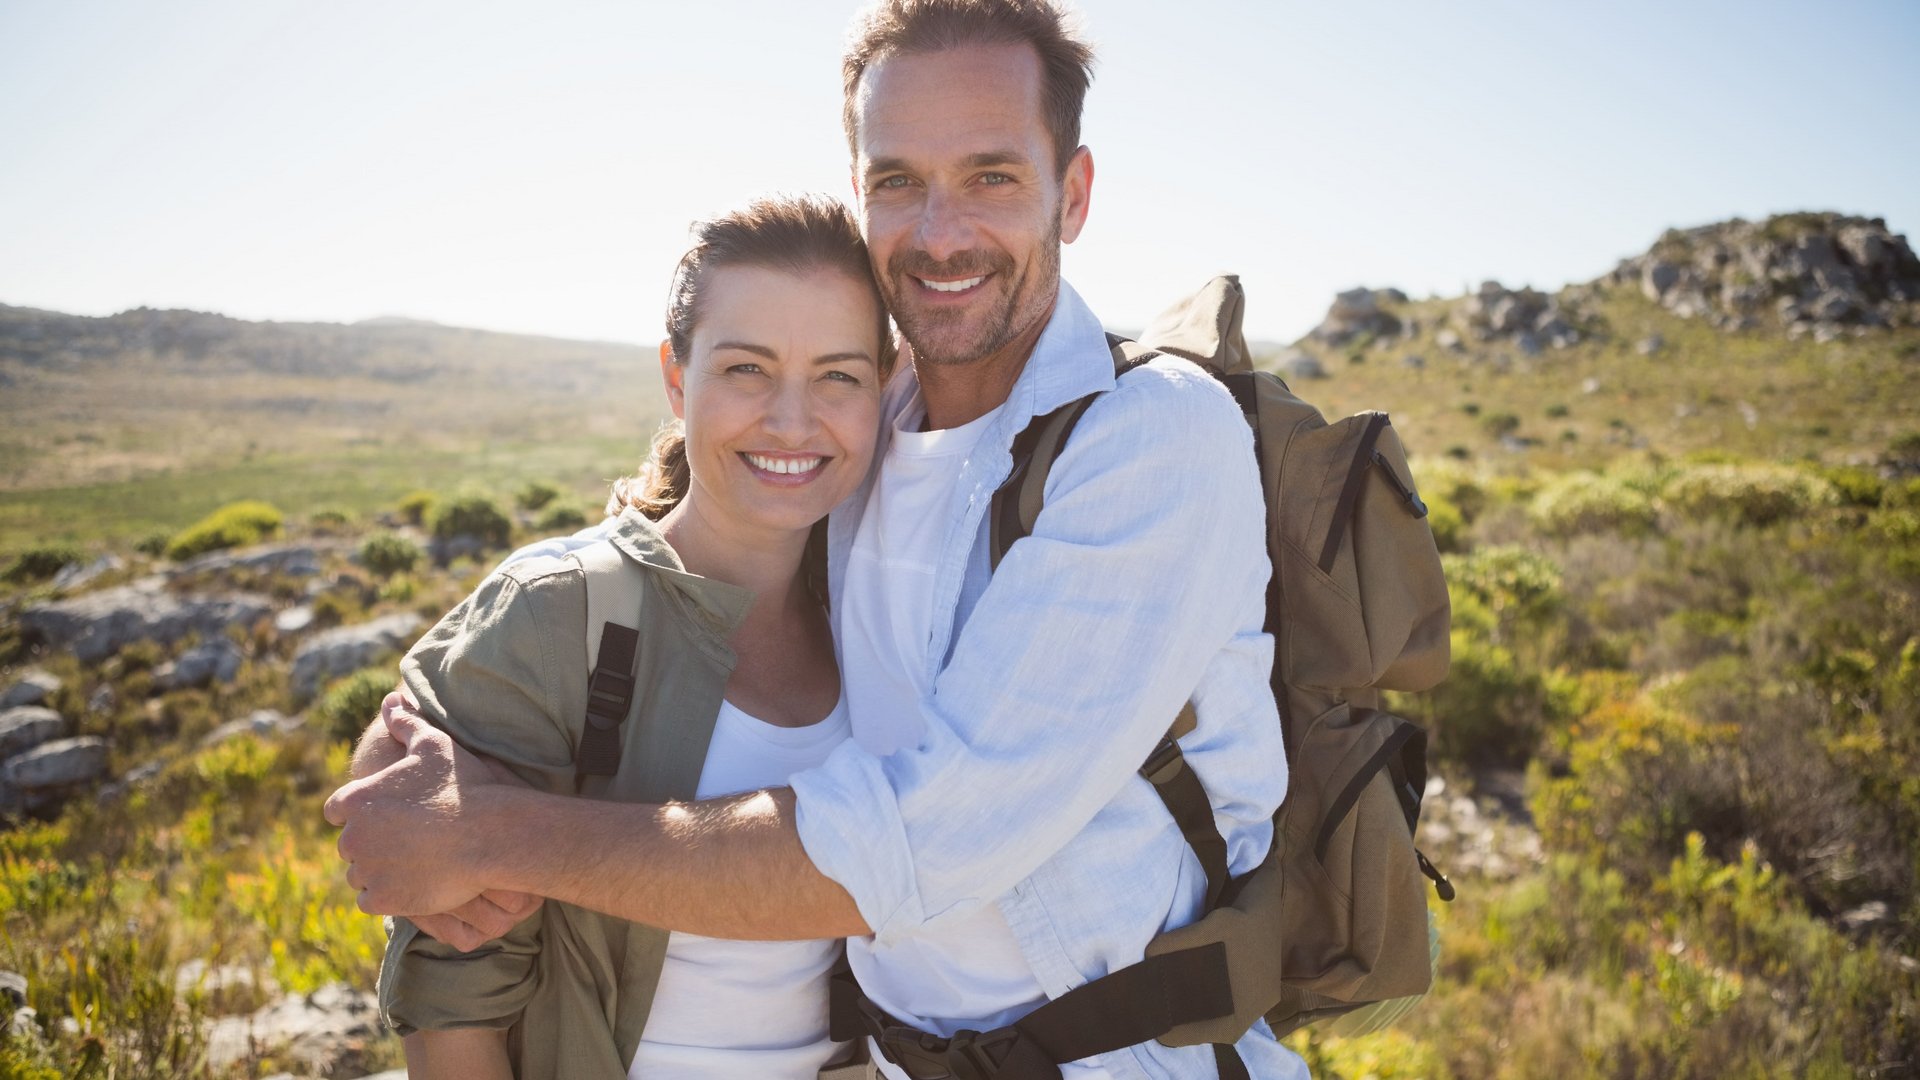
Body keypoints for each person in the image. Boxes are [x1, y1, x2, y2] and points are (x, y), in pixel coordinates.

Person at [328, 1, 1309, 1076]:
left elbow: (912, 847)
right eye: (898, 180)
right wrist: (421, 749)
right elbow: (651, 575)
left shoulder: (1153, 436)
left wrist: (490, 835)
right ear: (860, 191)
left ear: (1071, 195)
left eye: (992, 176)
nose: (940, 234)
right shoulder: (870, 432)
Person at [377, 193, 893, 1079]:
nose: (792, 421)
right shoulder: (560, 611)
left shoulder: (880, 616)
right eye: (746, 369)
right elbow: (452, 1011)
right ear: (675, 376)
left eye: (840, 375)